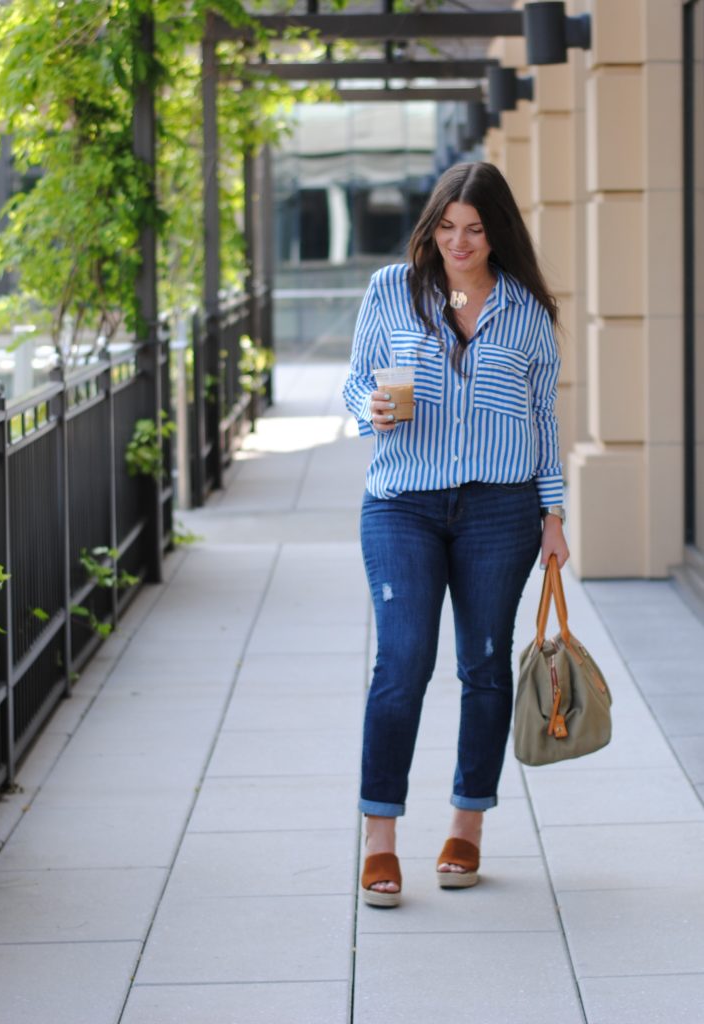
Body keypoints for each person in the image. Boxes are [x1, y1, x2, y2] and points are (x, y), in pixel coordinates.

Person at [342, 161, 569, 908]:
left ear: (496, 231)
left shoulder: (528, 312)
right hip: (403, 500)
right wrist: (369, 407)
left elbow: (543, 420)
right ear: (429, 226)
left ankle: (467, 824)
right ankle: (379, 839)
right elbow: (355, 380)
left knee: (483, 665)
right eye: (445, 228)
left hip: (500, 510)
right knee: (403, 663)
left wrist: (554, 514)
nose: (458, 243)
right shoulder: (392, 291)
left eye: (473, 230)